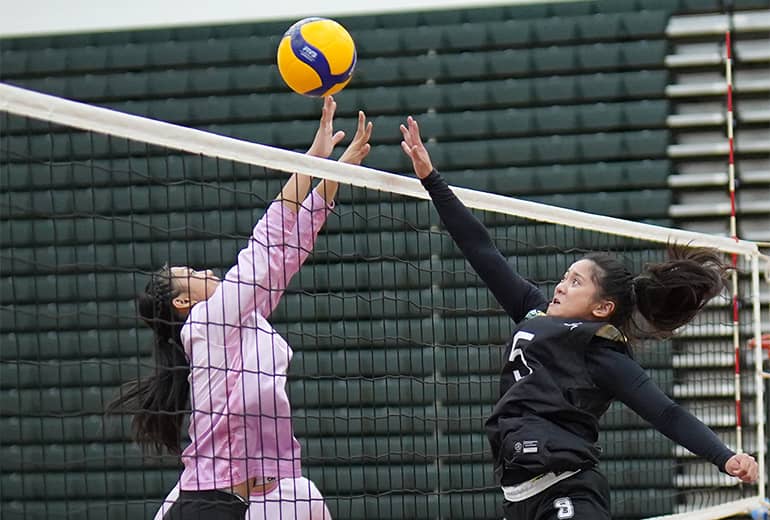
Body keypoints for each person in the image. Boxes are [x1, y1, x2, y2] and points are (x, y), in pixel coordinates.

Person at [399, 116, 759, 519]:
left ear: (601, 308)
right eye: (564, 277)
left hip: (566, 492)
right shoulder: (533, 312)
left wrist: (724, 457)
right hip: (519, 499)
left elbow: (666, 412)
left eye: (575, 282)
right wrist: (431, 179)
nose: (560, 286)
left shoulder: (602, 353)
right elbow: (483, 252)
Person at [108, 96, 373, 520]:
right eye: (192, 272)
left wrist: (332, 174)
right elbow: (263, 250)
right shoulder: (206, 322)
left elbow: (288, 249)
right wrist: (311, 160)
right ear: (183, 302)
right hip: (211, 505)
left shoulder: (243, 319)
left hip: (247, 499)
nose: (207, 269)